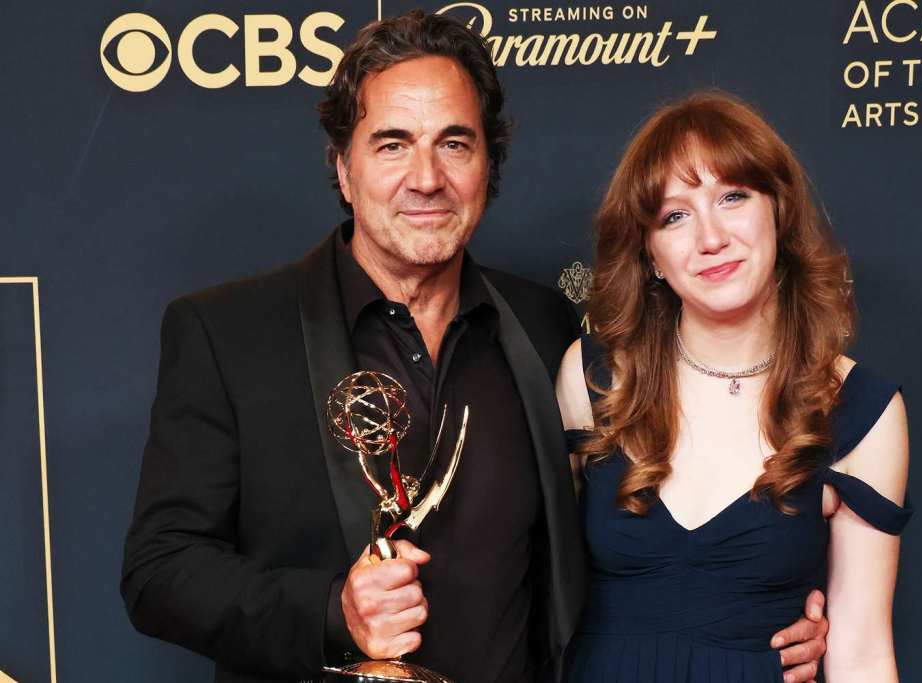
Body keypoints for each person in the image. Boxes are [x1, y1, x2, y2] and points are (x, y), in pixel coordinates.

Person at [121, 12, 829, 683]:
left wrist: (751, 615)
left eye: (455, 143)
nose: (427, 177)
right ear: (343, 169)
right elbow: (158, 572)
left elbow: (615, 540)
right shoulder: (229, 333)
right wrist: (333, 610)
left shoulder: (548, 329)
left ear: (489, 165)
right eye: (393, 144)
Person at [556, 91, 912, 683]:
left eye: (733, 197)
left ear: (779, 211)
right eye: (674, 216)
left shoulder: (860, 409)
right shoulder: (593, 378)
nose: (711, 237)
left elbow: (863, 653)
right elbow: (531, 585)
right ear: (650, 253)